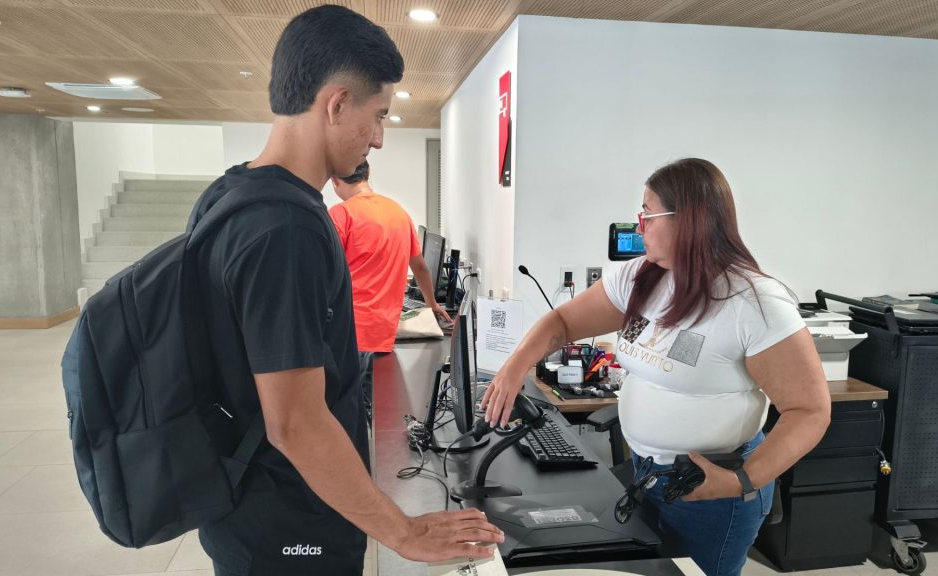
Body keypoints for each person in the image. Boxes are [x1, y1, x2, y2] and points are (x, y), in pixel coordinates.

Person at [185, 6, 501, 575]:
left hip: (246, 507)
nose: (378, 139)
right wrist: (402, 531)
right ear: (336, 104)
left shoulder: (228, 194)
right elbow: (296, 422)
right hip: (289, 524)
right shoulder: (288, 226)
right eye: (378, 116)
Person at [481, 158, 830, 576]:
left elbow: (809, 411)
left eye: (648, 213)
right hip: (645, 473)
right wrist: (514, 366)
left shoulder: (753, 302)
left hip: (712, 487)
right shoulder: (640, 277)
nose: (639, 225)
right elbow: (564, 322)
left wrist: (740, 481)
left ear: (690, 220)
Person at [329, 160, 451, 423]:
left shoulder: (341, 215)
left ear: (335, 181)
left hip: (349, 338)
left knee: (352, 420)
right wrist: (432, 303)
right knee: (381, 419)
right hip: (384, 334)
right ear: (369, 173)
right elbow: (420, 266)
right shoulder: (399, 213)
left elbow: (323, 275)